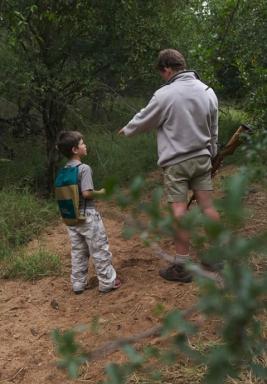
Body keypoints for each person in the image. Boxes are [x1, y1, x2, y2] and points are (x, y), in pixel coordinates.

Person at [119, 49, 220, 283]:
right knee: (207, 206)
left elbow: (145, 119)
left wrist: (127, 130)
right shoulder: (208, 91)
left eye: (162, 73)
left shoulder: (165, 94)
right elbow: (213, 128)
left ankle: (182, 266)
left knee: (178, 210)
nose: (162, 77)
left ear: (167, 69)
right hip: (202, 158)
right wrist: (212, 153)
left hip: (176, 163)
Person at [56, 130, 121, 294]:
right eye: (82, 143)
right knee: (99, 249)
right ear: (75, 150)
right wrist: (102, 192)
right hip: (87, 216)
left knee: (78, 251)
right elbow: (87, 193)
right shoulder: (83, 168)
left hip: (71, 217)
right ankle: (107, 282)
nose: (85, 145)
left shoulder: (63, 170)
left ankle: (78, 284)